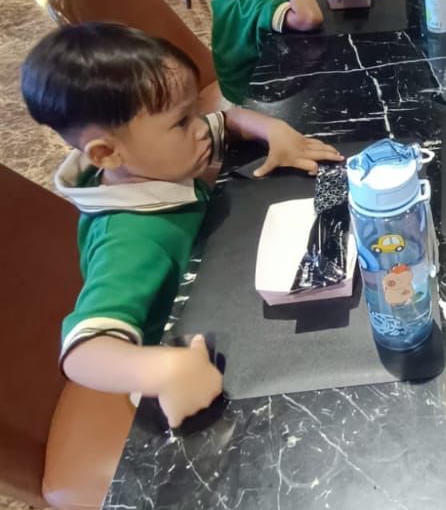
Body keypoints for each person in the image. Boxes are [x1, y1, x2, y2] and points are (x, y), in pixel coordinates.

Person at [20, 23, 342, 428]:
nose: (200, 127)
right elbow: (83, 352)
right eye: (181, 122)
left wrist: (274, 130)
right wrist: (163, 370)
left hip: (217, 284)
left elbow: (228, 121)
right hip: (184, 371)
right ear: (106, 153)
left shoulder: (142, 161)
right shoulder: (129, 240)